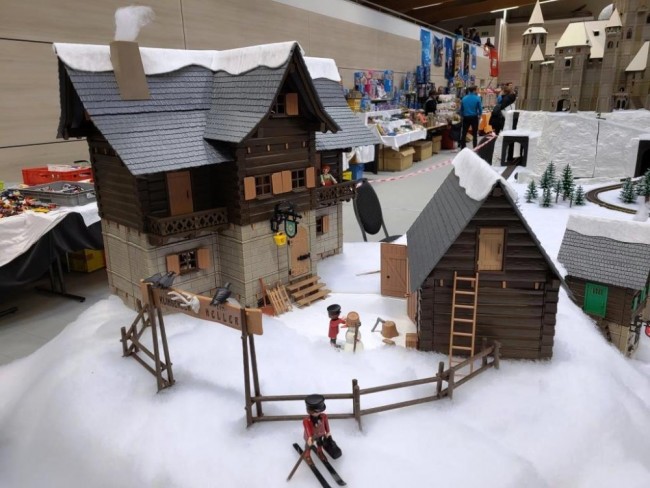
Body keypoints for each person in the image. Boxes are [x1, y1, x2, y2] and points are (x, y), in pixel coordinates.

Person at [302, 394, 341, 462]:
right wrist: (310, 437)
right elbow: (307, 429)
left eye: (320, 411)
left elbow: (326, 424)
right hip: (311, 436)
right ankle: (307, 455)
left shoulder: (324, 416)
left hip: (320, 434)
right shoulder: (306, 420)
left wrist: (328, 432)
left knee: (320, 443)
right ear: (311, 411)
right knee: (308, 446)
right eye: (317, 411)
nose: (319, 412)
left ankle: (319, 451)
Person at [458, 85, 482, 150]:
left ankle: (462, 147)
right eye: (476, 90)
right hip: (474, 117)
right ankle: (475, 147)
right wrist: (480, 115)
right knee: (474, 133)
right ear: (474, 90)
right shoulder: (477, 98)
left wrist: (462, 116)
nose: (477, 91)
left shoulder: (464, 98)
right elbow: (480, 108)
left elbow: (461, 109)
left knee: (464, 132)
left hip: (466, 117)